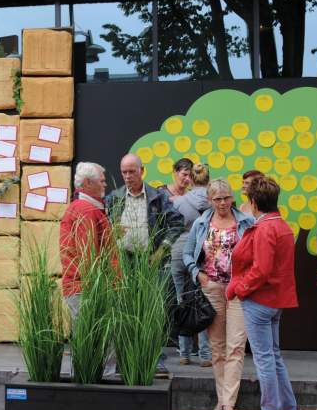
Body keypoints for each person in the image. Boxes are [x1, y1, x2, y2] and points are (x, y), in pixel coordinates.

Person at [226, 176, 300, 410]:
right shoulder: (281, 226)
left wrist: (240, 288)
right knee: (273, 357)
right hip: (275, 300)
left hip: (259, 299)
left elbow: (262, 270)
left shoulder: (265, 228)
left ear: (254, 202)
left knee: (265, 359)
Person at [105, 153, 185, 377]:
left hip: (150, 261)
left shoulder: (158, 197)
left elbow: (177, 222)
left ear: (142, 170)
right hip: (124, 261)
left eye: (132, 171)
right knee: (124, 310)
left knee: (153, 311)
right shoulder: (114, 197)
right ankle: (126, 358)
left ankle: (155, 359)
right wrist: (112, 233)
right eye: (124, 172)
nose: (128, 176)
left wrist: (162, 250)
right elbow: (103, 225)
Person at [182, 179, 255, 410]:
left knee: (235, 346)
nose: (223, 203)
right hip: (211, 289)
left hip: (238, 290)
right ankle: (222, 399)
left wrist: (246, 282)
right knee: (217, 348)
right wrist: (198, 274)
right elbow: (187, 253)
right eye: (217, 199)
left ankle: (229, 404)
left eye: (226, 197)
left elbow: (256, 255)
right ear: (210, 200)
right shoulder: (202, 223)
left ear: (233, 198)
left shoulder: (246, 222)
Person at [170, 162, 212, 365]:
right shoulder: (215, 203)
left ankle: (184, 354)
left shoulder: (179, 202)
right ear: (208, 180)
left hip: (178, 252)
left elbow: (170, 228)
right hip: (202, 255)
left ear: (191, 180)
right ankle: (205, 355)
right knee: (203, 302)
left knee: (182, 302)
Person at [61, 162, 112, 320]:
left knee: (87, 340)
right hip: (86, 289)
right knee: (89, 341)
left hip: (82, 287)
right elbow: (88, 255)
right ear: (88, 183)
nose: (105, 184)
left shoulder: (84, 208)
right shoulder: (86, 210)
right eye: (101, 181)